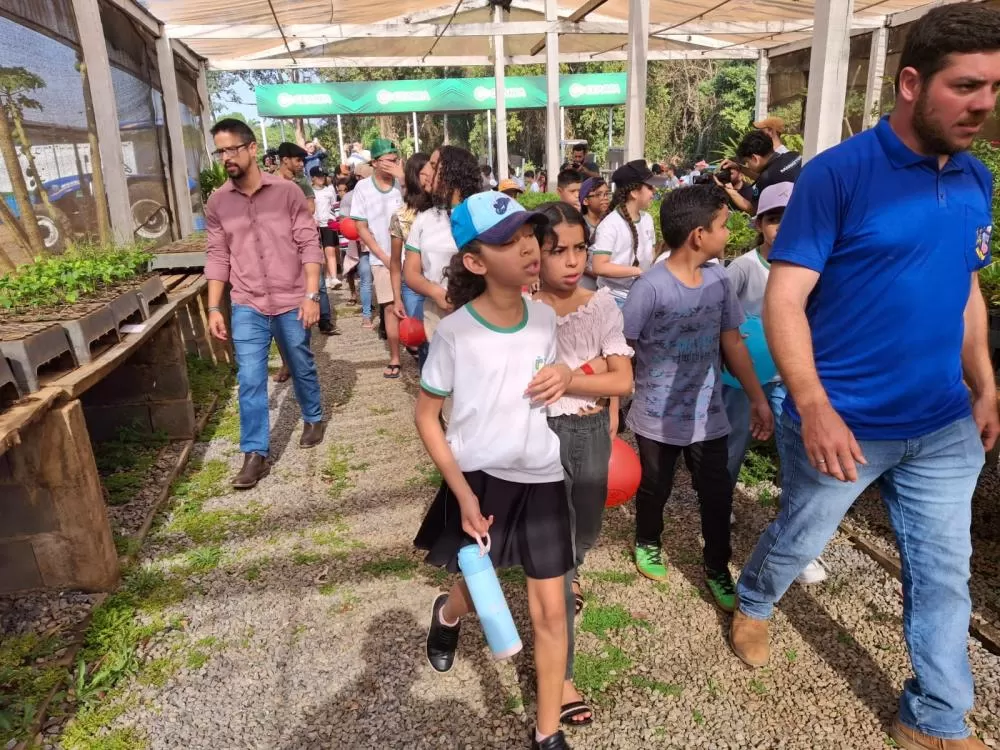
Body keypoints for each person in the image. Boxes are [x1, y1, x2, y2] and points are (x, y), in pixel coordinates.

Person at [731, 7, 1000, 749]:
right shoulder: (838, 175)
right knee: (800, 533)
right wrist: (812, 404)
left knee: (943, 573)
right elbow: (784, 298)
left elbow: (965, 288)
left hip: (941, 424)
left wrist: (984, 383)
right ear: (911, 83)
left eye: (994, 87)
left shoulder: (974, 177)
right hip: (844, 420)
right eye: (966, 86)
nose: (983, 104)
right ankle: (755, 598)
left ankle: (934, 718)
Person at [414, 190, 575, 750]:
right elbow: (427, 416)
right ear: (475, 262)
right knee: (479, 585)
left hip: (543, 475)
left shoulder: (545, 317)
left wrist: (563, 374)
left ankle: (547, 733)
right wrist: (461, 493)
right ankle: (447, 613)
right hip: (481, 481)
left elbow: (549, 374)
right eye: (510, 242)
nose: (529, 248)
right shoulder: (455, 332)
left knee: (550, 611)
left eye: (530, 235)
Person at [622, 184, 773, 611]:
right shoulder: (650, 288)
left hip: (709, 415)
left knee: (717, 493)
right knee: (655, 486)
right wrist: (613, 404)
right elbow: (622, 347)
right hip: (656, 417)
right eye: (723, 226)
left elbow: (733, 343)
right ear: (698, 235)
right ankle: (648, 539)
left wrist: (757, 398)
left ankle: (717, 565)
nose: (729, 233)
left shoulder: (719, 279)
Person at [532, 201, 634, 730]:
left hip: (590, 432)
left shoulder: (601, 305)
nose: (572, 261)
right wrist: (589, 373)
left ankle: (569, 571)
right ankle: (563, 676)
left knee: (586, 532)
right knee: (558, 549)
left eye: (579, 249)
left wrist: (572, 377)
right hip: (538, 436)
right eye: (558, 251)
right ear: (534, 254)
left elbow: (624, 380)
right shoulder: (522, 308)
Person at [203, 118, 326, 489]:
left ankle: (313, 415)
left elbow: (309, 244)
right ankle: (254, 453)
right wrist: (213, 307)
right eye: (220, 152)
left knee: (300, 362)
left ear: (252, 148)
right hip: (247, 303)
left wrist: (311, 295)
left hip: (292, 299)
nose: (226, 157)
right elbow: (217, 256)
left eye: (232, 149)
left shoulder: (287, 193)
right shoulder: (218, 202)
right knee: (250, 378)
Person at [722, 182, 828, 585]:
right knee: (733, 443)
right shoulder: (743, 267)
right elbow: (722, 316)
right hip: (742, 378)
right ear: (758, 224)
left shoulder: (815, 268)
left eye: (791, 217)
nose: (782, 227)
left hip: (790, 377)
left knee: (797, 452)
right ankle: (719, 504)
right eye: (773, 218)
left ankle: (797, 539)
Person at [403, 145, 483, 342]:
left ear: (452, 172)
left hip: (480, 314)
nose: (426, 172)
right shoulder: (424, 219)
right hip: (436, 316)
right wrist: (434, 291)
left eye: (433, 166)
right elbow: (410, 272)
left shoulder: (482, 214)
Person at [351, 139, 405, 374]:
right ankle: (395, 357)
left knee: (413, 303)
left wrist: (404, 178)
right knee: (390, 306)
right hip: (381, 257)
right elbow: (361, 226)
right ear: (374, 163)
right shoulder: (362, 188)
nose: (393, 163)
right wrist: (382, 256)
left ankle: (417, 346)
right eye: (388, 160)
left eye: (396, 159)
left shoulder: (403, 183)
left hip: (411, 255)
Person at [591, 160, 658, 309]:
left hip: (641, 295)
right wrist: (636, 271)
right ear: (634, 192)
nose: (654, 191)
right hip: (615, 300)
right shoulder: (610, 224)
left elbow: (651, 254)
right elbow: (599, 266)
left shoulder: (647, 219)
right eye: (649, 187)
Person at [389, 152, 432, 365]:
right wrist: (397, 298)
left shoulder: (446, 211)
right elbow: (395, 262)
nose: (431, 176)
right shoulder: (400, 216)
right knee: (423, 340)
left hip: (443, 282)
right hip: (414, 286)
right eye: (426, 172)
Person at [724, 130, 802, 214]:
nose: (748, 166)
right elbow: (771, 177)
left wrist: (728, 189)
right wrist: (739, 168)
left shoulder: (766, 179)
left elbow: (753, 209)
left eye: (747, 162)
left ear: (754, 158)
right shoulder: (793, 155)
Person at [310, 166, 341, 336]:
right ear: (313, 178)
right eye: (318, 176)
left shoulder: (330, 190)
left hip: (327, 223)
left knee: (330, 252)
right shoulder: (308, 190)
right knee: (319, 258)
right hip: (313, 227)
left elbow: (334, 206)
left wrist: (335, 220)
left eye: (323, 176)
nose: (321, 178)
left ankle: (325, 320)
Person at [578, 177, 610, 292]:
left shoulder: (611, 223)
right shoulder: (579, 225)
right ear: (585, 201)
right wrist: (596, 273)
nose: (605, 198)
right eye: (599, 194)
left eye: (606, 194)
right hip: (584, 283)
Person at [276, 142, 315, 214]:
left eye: (302, 160)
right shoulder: (270, 180)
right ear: (285, 160)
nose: (302, 164)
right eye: (298, 160)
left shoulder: (302, 180)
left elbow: (311, 209)